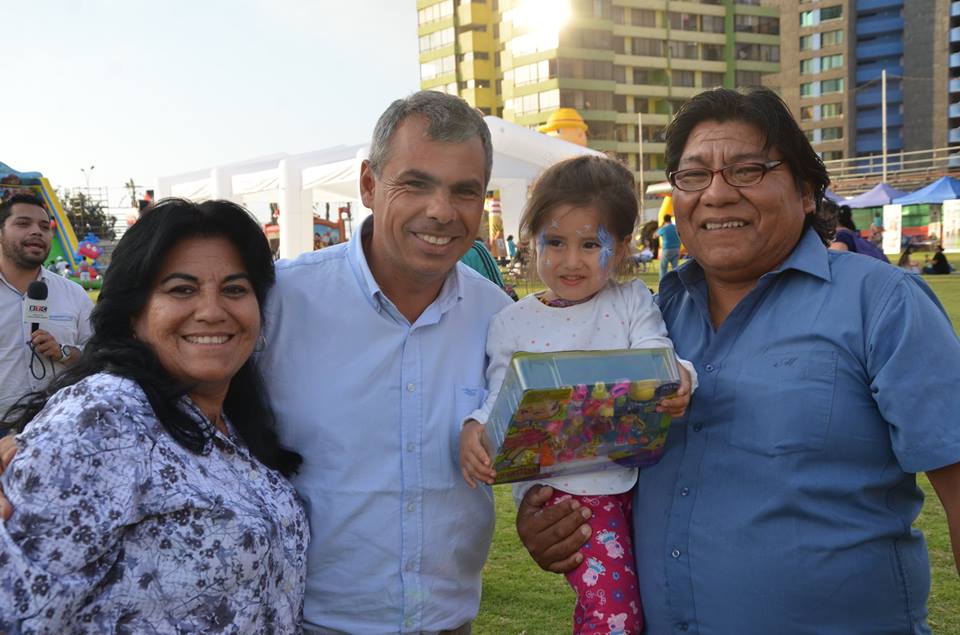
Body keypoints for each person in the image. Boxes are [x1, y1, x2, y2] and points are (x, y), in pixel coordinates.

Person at [515, 88, 960, 634]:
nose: (717, 195)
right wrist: (551, 526)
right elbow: (582, 457)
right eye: (694, 175)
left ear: (805, 192)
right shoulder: (645, 320)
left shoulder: (881, 304)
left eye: (748, 169)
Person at [256, 91, 513, 633]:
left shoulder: (499, 317)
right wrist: (33, 444)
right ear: (369, 184)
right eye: (416, 183)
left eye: (464, 191)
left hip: (449, 622)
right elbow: (165, 398)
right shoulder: (280, 301)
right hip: (310, 623)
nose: (441, 211)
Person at [0, 199, 308, 632]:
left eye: (235, 289)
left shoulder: (232, 420)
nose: (212, 310)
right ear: (133, 315)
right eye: (181, 289)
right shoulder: (104, 418)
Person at [459, 155, 694, 635]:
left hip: (636, 485)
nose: (571, 260)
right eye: (555, 242)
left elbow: (658, 353)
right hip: (567, 496)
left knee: (639, 605)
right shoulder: (512, 322)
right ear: (532, 242)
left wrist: (682, 376)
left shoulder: (631, 301)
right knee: (614, 617)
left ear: (623, 246)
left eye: (591, 244)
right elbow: (499, 396)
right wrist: (473, 430)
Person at [0, 193, 93, 425]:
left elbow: (99, 356)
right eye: (23, 223)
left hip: (60, 426)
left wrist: (64, 352)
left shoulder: (74, 293)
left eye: (44, 226)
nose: (37, 231)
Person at [656, 213, 680, 279]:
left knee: (663, 268)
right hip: (677, 249)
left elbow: (654, 236)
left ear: (664, 220)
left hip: (667, 249)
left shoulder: (664, 228)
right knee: (675, 267)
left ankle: (663, 282)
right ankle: (677, 281)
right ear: (670, 220)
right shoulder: (676, 227)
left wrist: (661, 226)